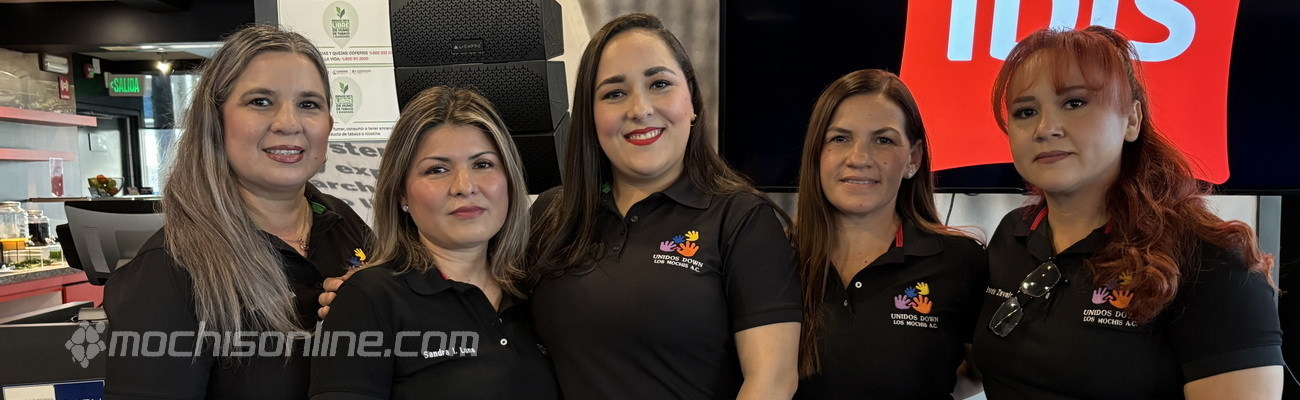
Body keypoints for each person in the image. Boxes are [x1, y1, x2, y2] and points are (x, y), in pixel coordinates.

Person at [972, 26, 1284, 399]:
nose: (1045, 128)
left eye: (1074, 103)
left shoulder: (1209, 258)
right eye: (1026, 111)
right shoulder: (1013, 234)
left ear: (1132, 120)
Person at [525, 12, 801, 400]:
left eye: (659, 84)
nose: (639, 109)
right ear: (589, 115)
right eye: (614, 93)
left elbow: (773, 381)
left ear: (692, 102)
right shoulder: (552, 215)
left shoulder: (741, 219)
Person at [104, 25, 371, 398]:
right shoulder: (168, 270)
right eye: (260, 101)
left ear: (328, 124)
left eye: (309, 104)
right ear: (215, 120)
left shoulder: (345, 224)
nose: (289, 123)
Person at [309, 86, 559, 399]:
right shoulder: (368, 299)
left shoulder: (541, 290)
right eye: (437, 169)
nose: (464, 186)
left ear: (509, 178)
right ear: (401, 193)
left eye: (482, 164)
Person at [790, 69, 986, 400]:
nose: (859, 158)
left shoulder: (961, 260)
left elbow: (981, 373)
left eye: (883, 140)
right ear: (816, 154)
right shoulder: (774, 255)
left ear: (913, 158)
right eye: (839, 138)